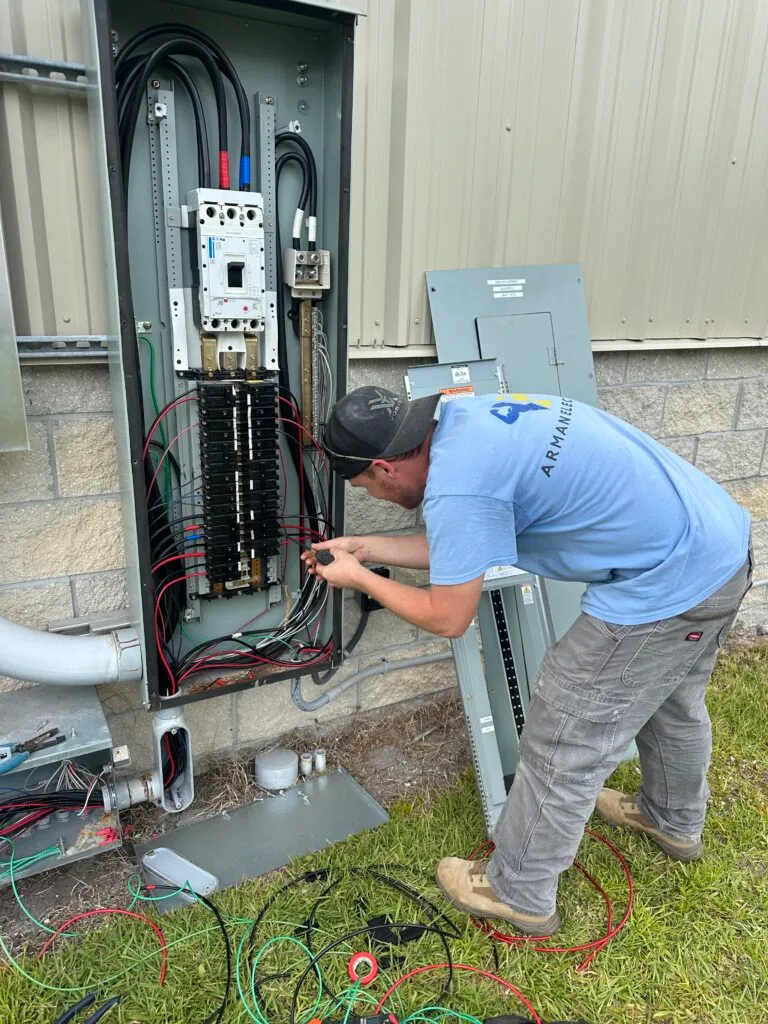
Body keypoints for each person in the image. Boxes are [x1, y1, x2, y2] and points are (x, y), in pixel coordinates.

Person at [302, 386, 752, 936]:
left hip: (668, 582)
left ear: (382, 468)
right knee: (671, 700)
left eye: (364, 484)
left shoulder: (459, 487)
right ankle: (671, 820)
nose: (371, 491)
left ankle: (519, 890)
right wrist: (368, 550)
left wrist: (359, 578)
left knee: (566, 727)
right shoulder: (468, 423)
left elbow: (448, 616)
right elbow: (467, 540)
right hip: (720, 548)